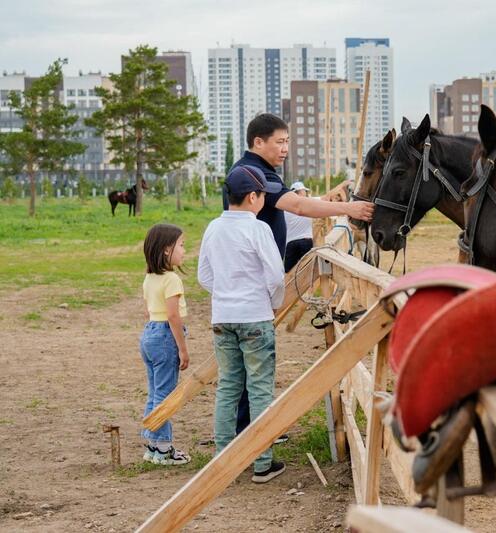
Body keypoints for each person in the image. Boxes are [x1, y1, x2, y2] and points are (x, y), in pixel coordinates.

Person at [224, 113, 375, 432]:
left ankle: (242, 434)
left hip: (244, 283)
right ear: (258, 142)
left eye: (287, 142)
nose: (285, 148)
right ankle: (248, 436)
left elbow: (302, 203)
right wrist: (348, 209)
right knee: (252, 367)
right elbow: (300, 207)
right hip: (253, 285)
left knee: (242, 369)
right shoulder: (254, 173)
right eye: (279, 142)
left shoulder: (255, 170)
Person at [198, 165, 287, 483]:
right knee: (260, 388)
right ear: (253, 197)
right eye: (263, 194)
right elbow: (276, 276)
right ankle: (262, 462)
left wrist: (226, 293)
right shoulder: (258, 229)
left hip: (223, 318)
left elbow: (203, 275)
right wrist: (272, 303)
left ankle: (224, 460)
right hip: (255, 317)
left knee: (228, 386)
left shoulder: (213, 228)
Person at [140, 223, 191, 465]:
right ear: (166, 251)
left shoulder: (149, 278)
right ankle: (163, 448)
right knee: (165, 394)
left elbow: (149, 310)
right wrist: (182, 348)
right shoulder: (171, 279)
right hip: (165, 336)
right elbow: (173, 316)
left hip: (149, 333)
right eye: (181, 245)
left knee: (154, 391)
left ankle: (152, 443)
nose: (184, 250)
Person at [283, 181, 314, 272]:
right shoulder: (308, 204)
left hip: (291, 243)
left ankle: (290, 287)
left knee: (289, 273)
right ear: (300, 192)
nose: (306, 193)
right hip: (305, 242)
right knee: (306, 271)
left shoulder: (285, 207)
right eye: (305, 191)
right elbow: (326, 198)